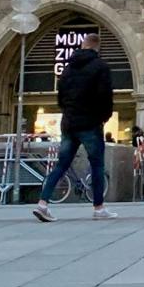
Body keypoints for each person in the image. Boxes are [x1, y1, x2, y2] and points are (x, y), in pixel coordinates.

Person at [33, 33, 116, 221]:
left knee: (61, 164)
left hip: (69, 123)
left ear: (82, 45)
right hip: (90, 123)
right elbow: (105, 95)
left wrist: (68, 111)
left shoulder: (68, 68)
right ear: (97, 47)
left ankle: (43, 203)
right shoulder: (100, 67)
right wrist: (104, 116)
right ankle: (98, 207)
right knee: (96, 164)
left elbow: (60, 96)